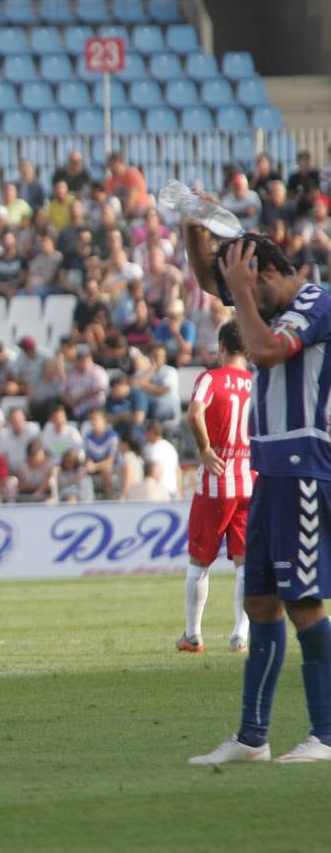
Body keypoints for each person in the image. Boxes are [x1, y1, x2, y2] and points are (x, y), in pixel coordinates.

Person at [188, 233, 331, 764]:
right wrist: (193, 225)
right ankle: (253, 738)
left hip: (304, 467)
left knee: (303, 601)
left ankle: (326, 734)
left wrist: (243, 295)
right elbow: (208, 281)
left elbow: (268, 352)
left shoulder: (316, 303)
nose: (239, 300)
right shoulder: (264, 302)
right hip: (266, 469)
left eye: (248, 288)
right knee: (260, 601)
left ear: (267, 274)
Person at [177, 321, 254, 656]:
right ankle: (241, 633)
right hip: (250, 480)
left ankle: (193, 635)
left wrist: (205, 449)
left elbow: (195, 413)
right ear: (247, 349)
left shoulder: (210, 378)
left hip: (216, 481)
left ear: (222, 345)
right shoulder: (257, 382)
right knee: (245, 561)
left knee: (199, 561)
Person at [142, 419, 180, 499]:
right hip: (172, 490)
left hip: (159, 492)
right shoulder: (170, 447)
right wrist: (179, 491)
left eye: (146, 432)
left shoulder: (154, 449)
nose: (144, 435)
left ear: (151, 432)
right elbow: (178, 470)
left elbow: (154, 471)